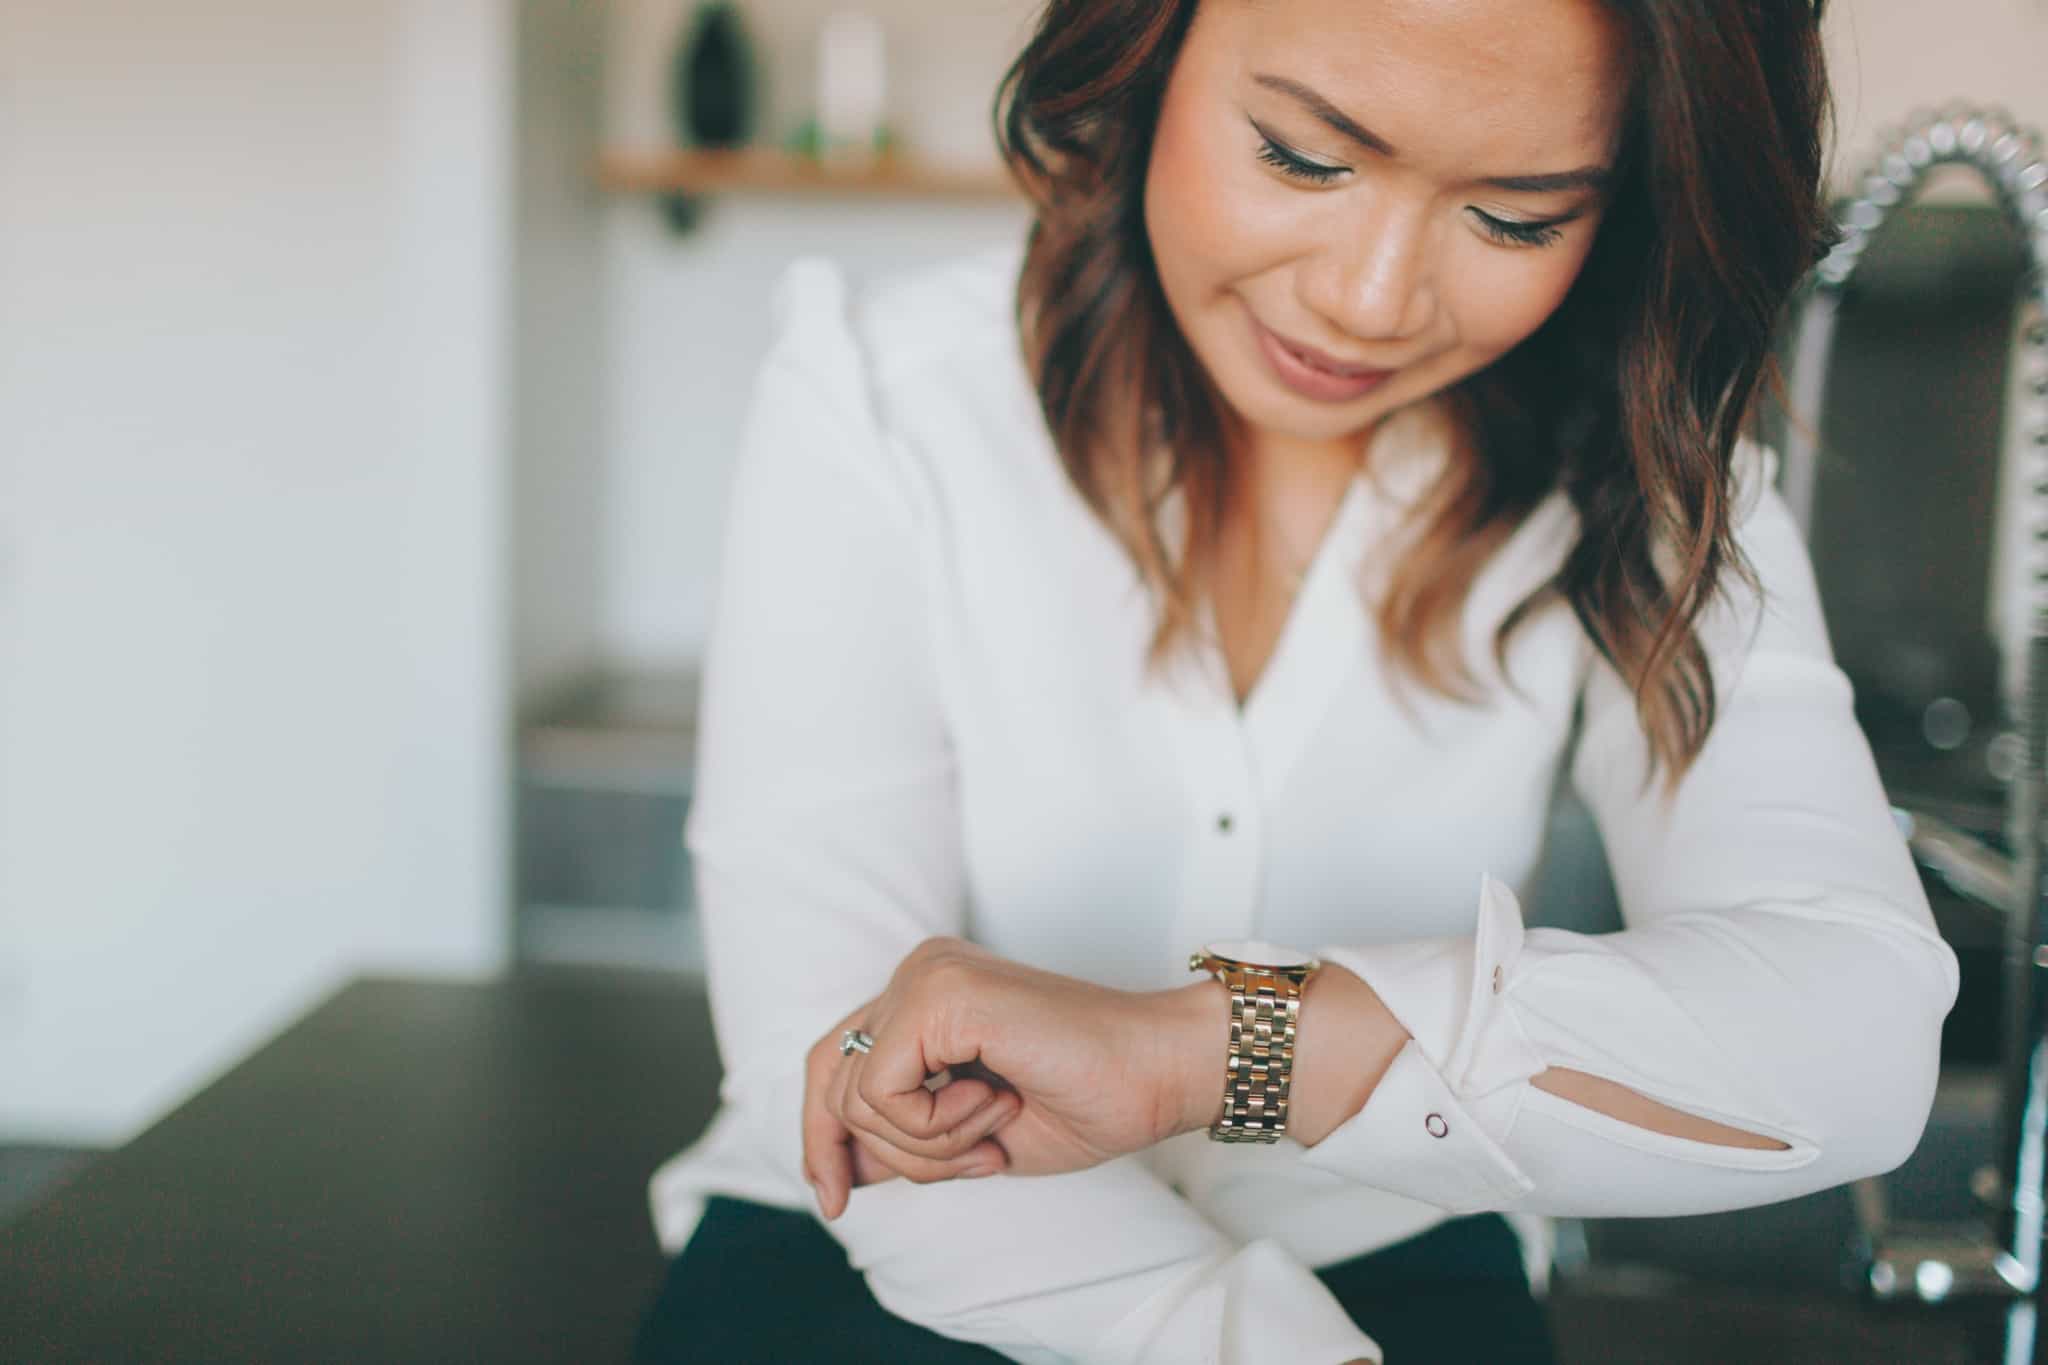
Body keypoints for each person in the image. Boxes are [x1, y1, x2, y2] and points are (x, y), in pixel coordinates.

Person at [635, 0, 1962, 1360]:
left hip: (1392, 1252)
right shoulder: (884, 402)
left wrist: (1211, 1051)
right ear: (1145, 47)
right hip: (872, 1244)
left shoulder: (1645, 471)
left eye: (1514, 219)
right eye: (1302, 157)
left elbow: (1850, 1032)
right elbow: (843, 1053)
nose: (1370, 299)